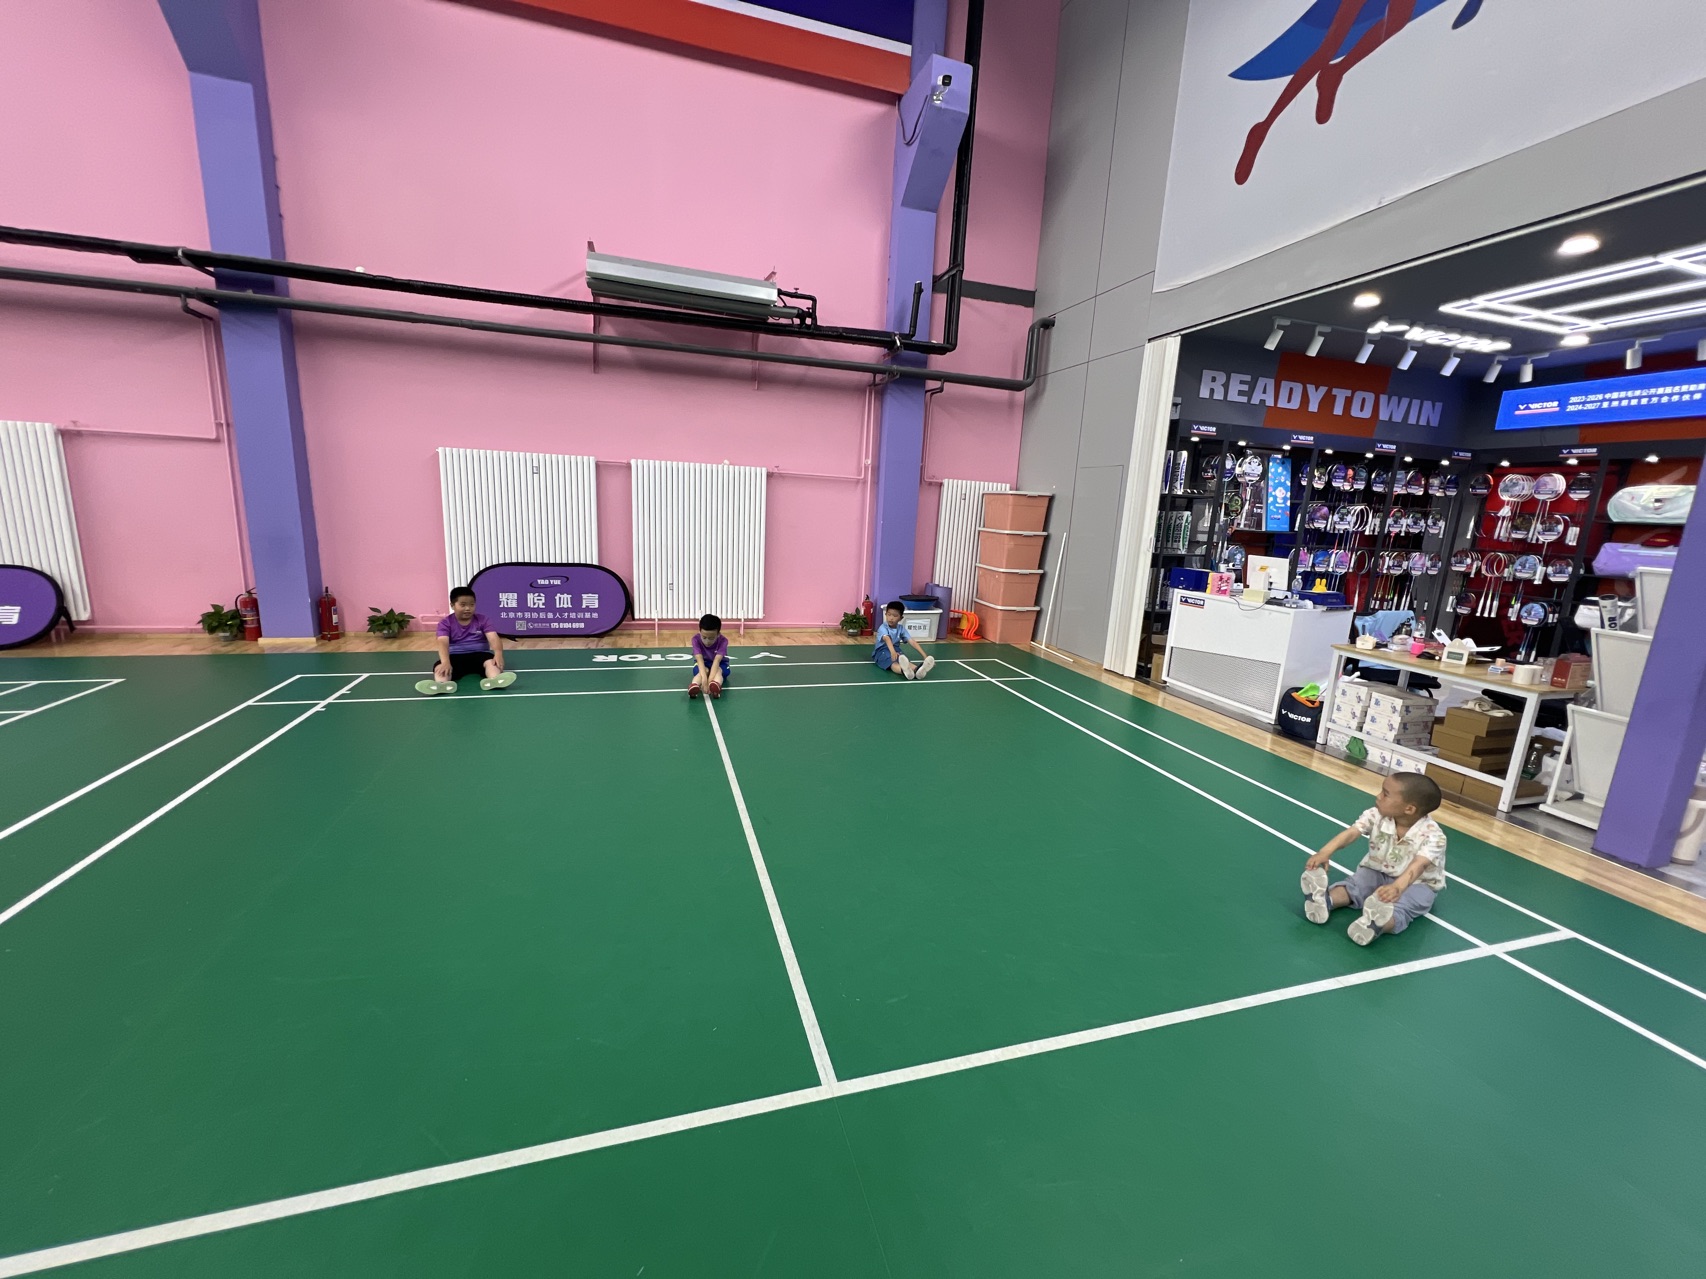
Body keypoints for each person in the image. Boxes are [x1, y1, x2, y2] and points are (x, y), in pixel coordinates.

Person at [1301, 772, 1446, 946]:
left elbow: (1419, 865)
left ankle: (1377, 925)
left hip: (1417, 883)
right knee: (1357, 885)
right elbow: (1352, 833)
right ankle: (1325, 900)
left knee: (1404, 906)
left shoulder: (1434, 836)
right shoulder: (1376, 815)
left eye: (1385, 794)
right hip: (1377, 870)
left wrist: (1397, 887)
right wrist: (1325, 852)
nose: (1378, 796)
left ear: (1409, 809)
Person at [416, 587, 516, 695]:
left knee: (492, 663)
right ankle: (442, 684)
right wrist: (445, 662)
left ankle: (494, 680)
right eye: (463, 605)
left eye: (472, 605)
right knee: (440, 667)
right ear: (452, 605)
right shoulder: (445, 623)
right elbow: (442, 643)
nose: (468, 608)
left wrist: (498, 654)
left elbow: (493, 637)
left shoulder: (483, 620)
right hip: (455, 657)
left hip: (480, 655)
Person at [872, 601, 935, 679]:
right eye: (889, 614)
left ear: (901, 618)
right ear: (886, 614)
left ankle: (918, 670)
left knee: (906, 662)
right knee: (893, 664)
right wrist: (892, 652)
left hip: (896, 650)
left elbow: (912, 642)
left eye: (895, 616)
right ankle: (904, 671)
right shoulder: (883, 627)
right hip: (882, 651)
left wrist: (925, 656)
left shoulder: (901, 628)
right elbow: (887, 639)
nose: (891, 618)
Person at [688, 613, 729, 700]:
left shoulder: (723, 641)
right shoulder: (695, 639)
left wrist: (709, 681)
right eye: (704, 637)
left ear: (718, 634)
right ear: (700, 632)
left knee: (718, 671)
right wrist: (704, 680)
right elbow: (699, 660)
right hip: (703, 664)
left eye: (711, 638)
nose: (707, 641)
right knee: (702, 672)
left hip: (721, 664)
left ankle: (716, 686)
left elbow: (717, 661)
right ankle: (694, 685)